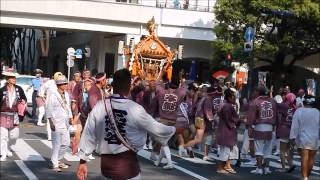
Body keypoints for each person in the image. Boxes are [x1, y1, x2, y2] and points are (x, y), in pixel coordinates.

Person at [76, 69, 175, 180]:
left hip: (106, 168)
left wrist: (82, 162)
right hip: (128, 168)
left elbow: (89, 134)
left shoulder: (99, 107)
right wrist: (173, 129)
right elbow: (158, 129)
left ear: (113, 85)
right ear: (129, 87)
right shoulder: (135, 109)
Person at [153, 72, 187, 169]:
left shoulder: (162, 92)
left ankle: (170, 163)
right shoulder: (180, 93)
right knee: (165, 141)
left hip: (163, 120)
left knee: (164, 142)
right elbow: (184, 87)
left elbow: (157, 83)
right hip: (173, 122)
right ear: (178, 85)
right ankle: (158, 162)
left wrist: (160, 74)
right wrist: (181, 78)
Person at [247, 86, 278, 175]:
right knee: (268, 149)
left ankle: (259, 169)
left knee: (259, 149)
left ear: (258, 92)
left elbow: (251, 117)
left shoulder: (255, 102)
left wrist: (250, 127)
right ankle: (267, 168)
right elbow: (276, 115)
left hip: (259, 126)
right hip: (270, 127)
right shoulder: (273, 101)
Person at [46, 74, 73, 172]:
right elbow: (48, 108)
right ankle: (54, 164)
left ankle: (58, 160)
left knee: (66, 143)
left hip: (65, 123)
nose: (66, 85)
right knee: (57, 144)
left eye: (66, 83)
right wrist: (51, 122)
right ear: (59, 85)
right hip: (56, 122)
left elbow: (68, 106)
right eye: (64, 83)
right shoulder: (53, 94)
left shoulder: (66, 94)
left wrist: (70, 117)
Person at [290, 95, 319, 180]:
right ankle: (307, 175)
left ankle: (305, 177)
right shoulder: (317, 112)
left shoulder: (299, 111)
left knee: (304, 157)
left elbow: (294, 126)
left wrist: (292, 137)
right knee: (311, 158)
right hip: (315, 137)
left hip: (303, 137)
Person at [0, 69, 27, 161]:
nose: (14, 79)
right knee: (3, 136)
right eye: (12, 78)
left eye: (14, 78)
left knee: (14, 136)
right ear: (7, 79)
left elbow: (24, 98)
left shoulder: (18, 89)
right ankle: (3, 153)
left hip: (14, 115)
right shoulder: (2, 90)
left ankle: (8, 147)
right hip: (3, 114)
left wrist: (23, 102)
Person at [215, 88, 239, 174]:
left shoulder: (224, 104)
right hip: (227, 130)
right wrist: (237, 120)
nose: (235, 98)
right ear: (229, 98)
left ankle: (224, 166)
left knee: (226, 150)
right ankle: (220, 167)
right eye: (233, 97)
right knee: (225, 150)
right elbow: (229, 119)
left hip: (224, 129)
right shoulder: (227, 106)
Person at [39, 72, 63, 141]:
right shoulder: (50, 82)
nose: (59, 78)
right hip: (49, 104)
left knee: (58, 120)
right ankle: (50, 136)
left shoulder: (61, 84)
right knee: (50, 120)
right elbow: (42, 88)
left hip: (59, 105)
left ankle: (57, 134)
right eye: (58, 76)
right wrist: (42, 97)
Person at [276, 93, 297, 172]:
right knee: (288, 150)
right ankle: (290, 164)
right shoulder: (295, 108)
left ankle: (283, 168)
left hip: (284, 129)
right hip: (292, 131)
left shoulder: (284, 106)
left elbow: (275, 104)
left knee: (282, 150)